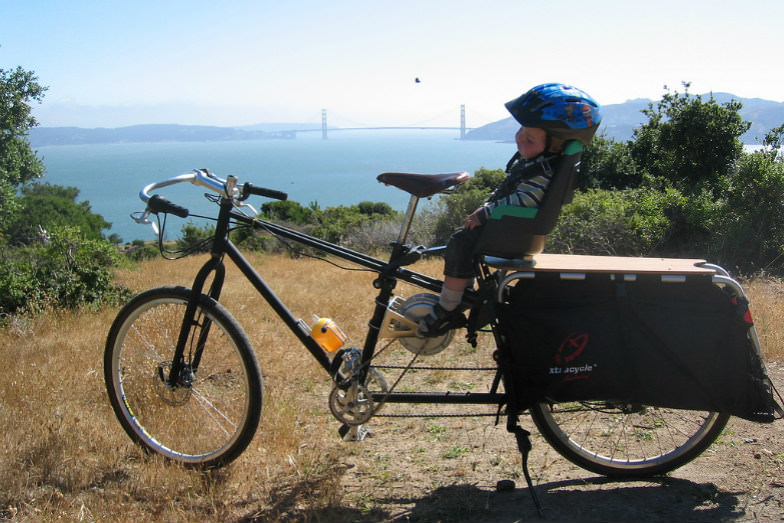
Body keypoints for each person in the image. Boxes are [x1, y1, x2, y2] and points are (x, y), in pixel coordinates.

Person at [419, 83, 602, 337]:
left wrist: (486, 212)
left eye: (530, 138)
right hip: (514, 230)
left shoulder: (543, 171)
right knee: (461, 244)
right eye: (520, 131)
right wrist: (488, 207)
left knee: (460, 244)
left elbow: (523, 200)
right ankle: (464, 292)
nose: (520, 139)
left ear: (557, 145)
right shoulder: (542, 162)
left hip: (512, 232)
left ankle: (449, 307)